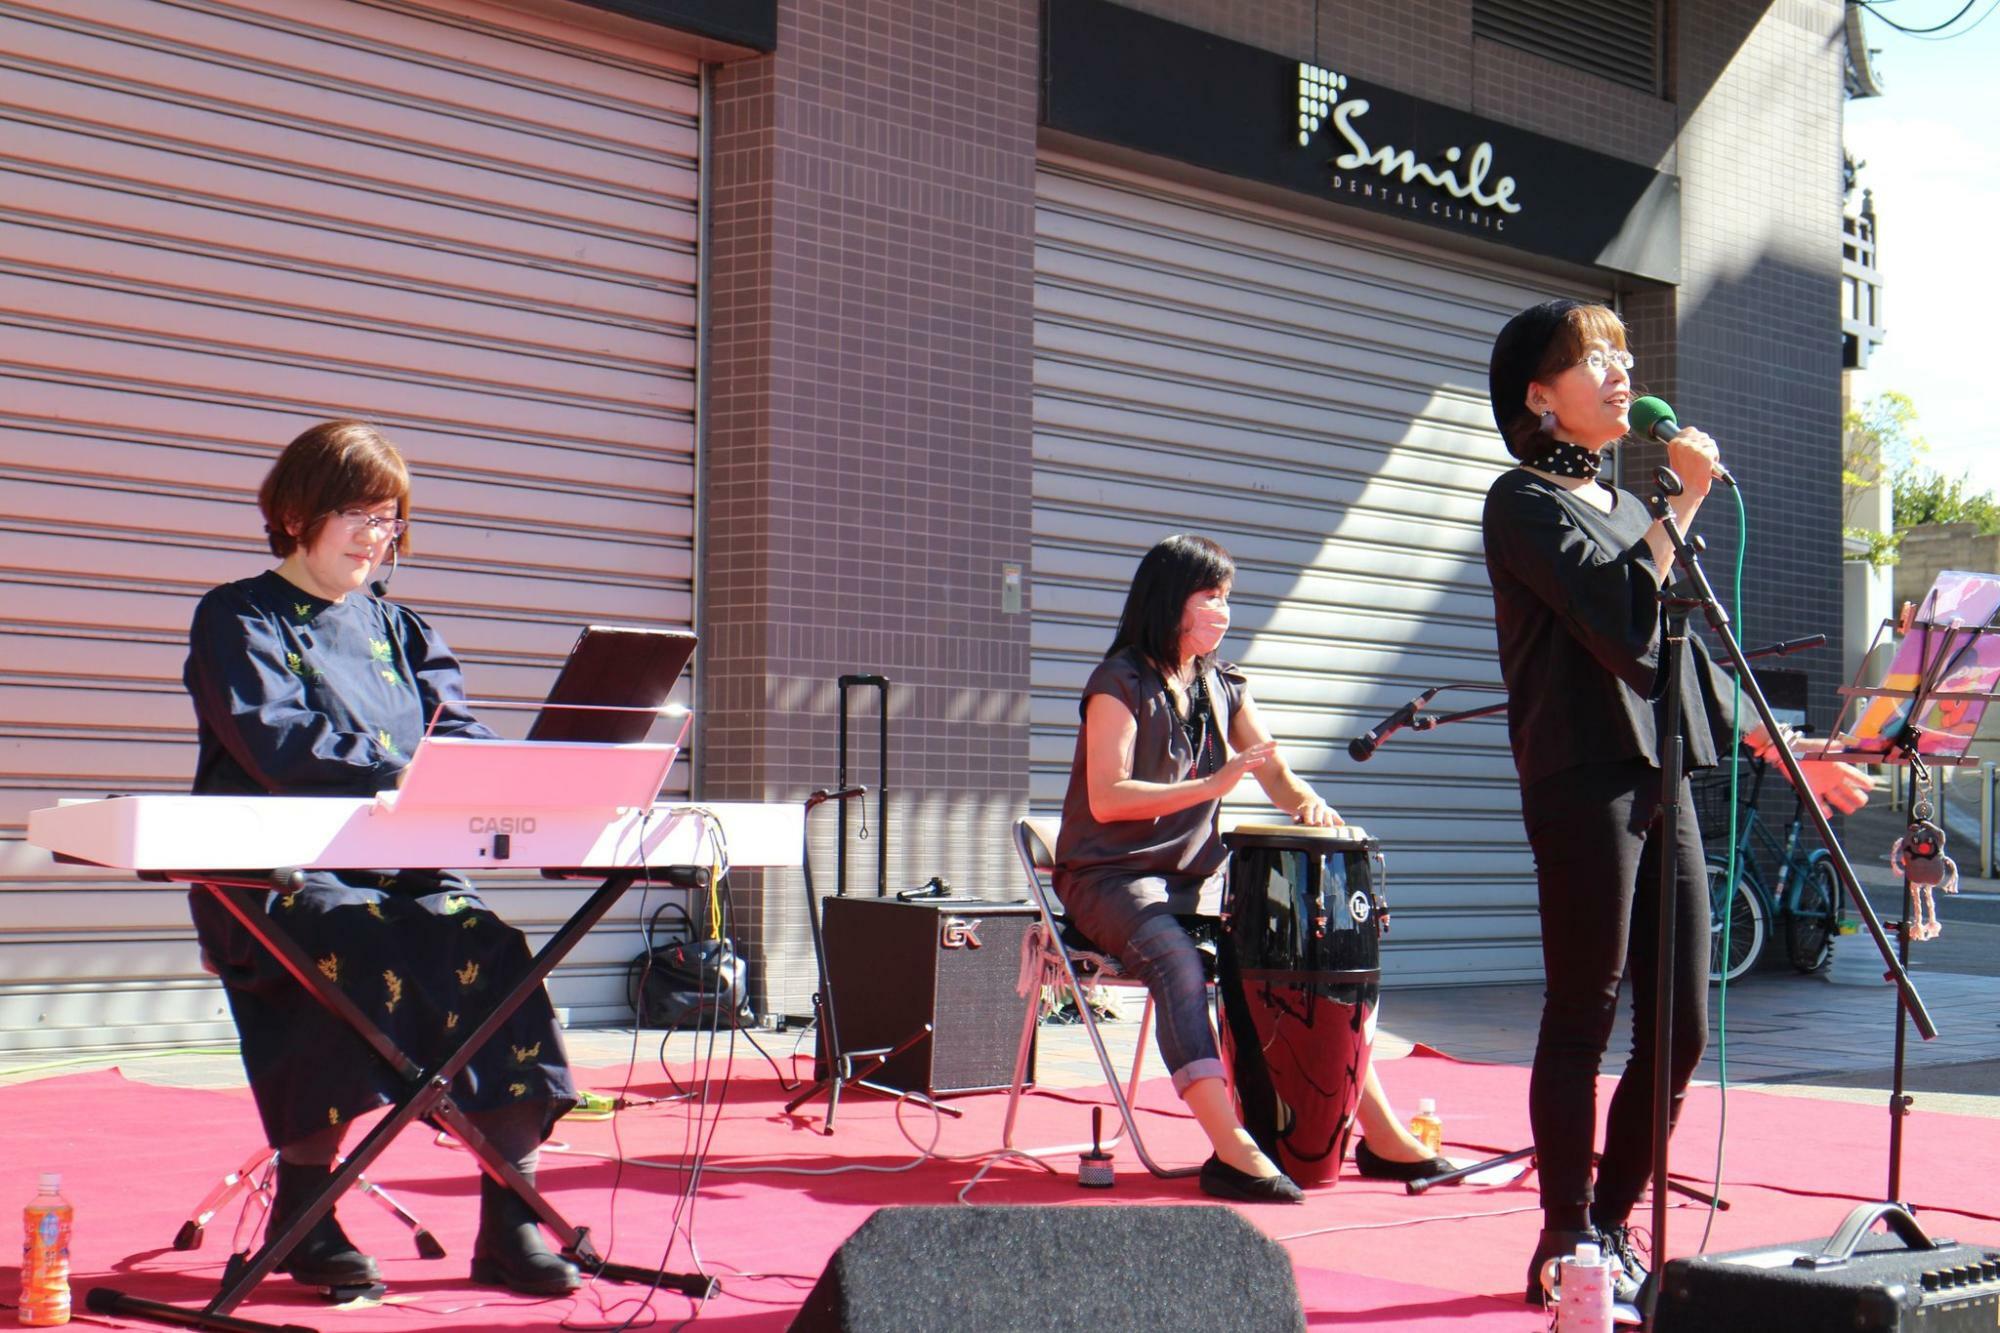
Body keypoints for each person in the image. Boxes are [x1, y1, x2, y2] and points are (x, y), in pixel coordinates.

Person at [1481, 300, 1872, 1303]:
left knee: (1683, 1024)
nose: (1619, 370)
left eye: (1620, 352)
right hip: (1580, 776)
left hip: (1661, 775)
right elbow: (1619, 626)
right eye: (1590, 359)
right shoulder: (1519, 502)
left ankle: (1611, 1221)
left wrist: (1789, 754)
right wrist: (1679, 508)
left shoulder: (1624, 508)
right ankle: (1562, 1235)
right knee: (1584, 1007)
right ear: (1537, 395)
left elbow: (1687, 660)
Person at [183, 420, 581, 1296]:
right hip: (279, 875)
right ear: (297, 513)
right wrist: (403, 769)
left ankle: (513, 1220)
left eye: (389, 519)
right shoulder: (237, 616)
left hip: (406, 868)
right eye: (358, 513)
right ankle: (308, 1210)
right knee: (348, 945)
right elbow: (277, 740)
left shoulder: (402, 629)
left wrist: (536, 776)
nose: (376, 535)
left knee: (497, 952)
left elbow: (461, 733)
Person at [1051, 534, 1343, 1203]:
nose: (1223, 611)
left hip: (1182, 882)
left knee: (1284, 956)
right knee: (1177, 963)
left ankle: (1352, 1127)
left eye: (1228, 597)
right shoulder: (1118, 682)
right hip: (1107, 878)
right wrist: (1213, 784)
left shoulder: (1220, 683)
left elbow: (1271, 768)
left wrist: (1310, 805)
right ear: (1170, 600)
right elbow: (1107, 795)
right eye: (1210, 596)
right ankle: (1231, 1146)